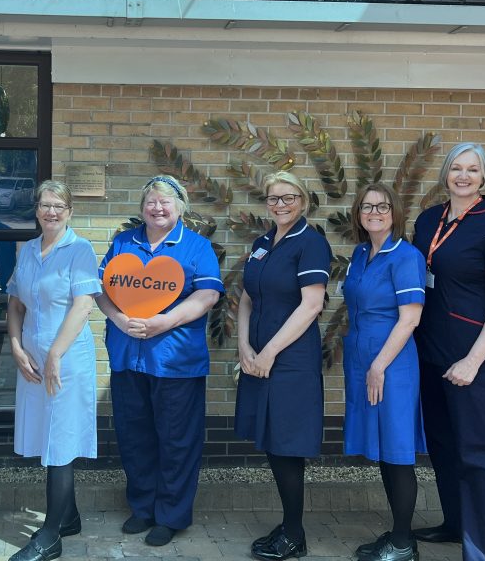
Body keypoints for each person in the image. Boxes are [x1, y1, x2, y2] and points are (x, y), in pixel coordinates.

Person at [95, 175, 224, 547]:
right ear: (141, 208)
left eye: (166, 202)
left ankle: (171, 515)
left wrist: (164, 322)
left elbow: (207, 297)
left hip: (175, 361)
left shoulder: (197, 247)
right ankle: (143, 507)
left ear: (180, 207)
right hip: (127, 357)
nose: (158, 208)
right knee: (135, 436)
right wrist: (119, 319)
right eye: (151, 202)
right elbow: (102, 290)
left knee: (176, 440)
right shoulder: (123, 242)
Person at [411, 143, 485, 561]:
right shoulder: (428, 221)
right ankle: (456, 524)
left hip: (474, 356)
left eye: (472, 170)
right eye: (456, 168)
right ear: (445, 174)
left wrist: (473, 361)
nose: (463, 176)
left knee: (478, 452)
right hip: (433, 351)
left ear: (483, 177)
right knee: (443, 444)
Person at [233, 171, 330, 561]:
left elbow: (311, 305)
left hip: (290, 361)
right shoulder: (261, 243)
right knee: (272, 444)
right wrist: (243, 346)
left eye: (288, 198)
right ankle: (290, 523)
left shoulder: (311, 243)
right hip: (257, 356)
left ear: (302, 201)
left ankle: (294, 535)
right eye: (273, 199)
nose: (280, 205)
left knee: (286, 445)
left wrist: (269, 351)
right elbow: (246, 298)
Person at [6, 181, 101, 561]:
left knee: (59, 442)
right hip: (31, 360)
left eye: (59, 205)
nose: (51, 212)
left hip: (65, 362)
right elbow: (15, 303)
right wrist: (15, 346)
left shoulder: (79, 249)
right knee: (46, 434)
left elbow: (83, 306)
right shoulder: (27, 250)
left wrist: (55, 354)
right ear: (36, 210)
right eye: (45, 205)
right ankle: (70, 517)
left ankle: (50, 536)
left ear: (70, 211)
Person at [342, 183, 426, 561]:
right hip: (362, 359)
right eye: (367, 206)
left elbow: (410, 319)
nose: (374, 212)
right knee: (383, 452)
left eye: (382, 206)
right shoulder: (360, 254)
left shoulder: (406, 256)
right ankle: (397, 533)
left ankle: (405, 543)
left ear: (395, 212)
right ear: (358, 214)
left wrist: (378, 366)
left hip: (391, 364)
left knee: (397, 451)